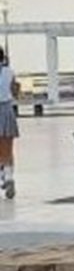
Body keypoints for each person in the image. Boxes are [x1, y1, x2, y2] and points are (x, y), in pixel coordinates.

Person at [0, 47, 18, 200]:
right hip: (7, 110)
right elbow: (15, 92)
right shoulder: (9, 72)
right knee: (7, 148)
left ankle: (3, 174)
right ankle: (8, 176)